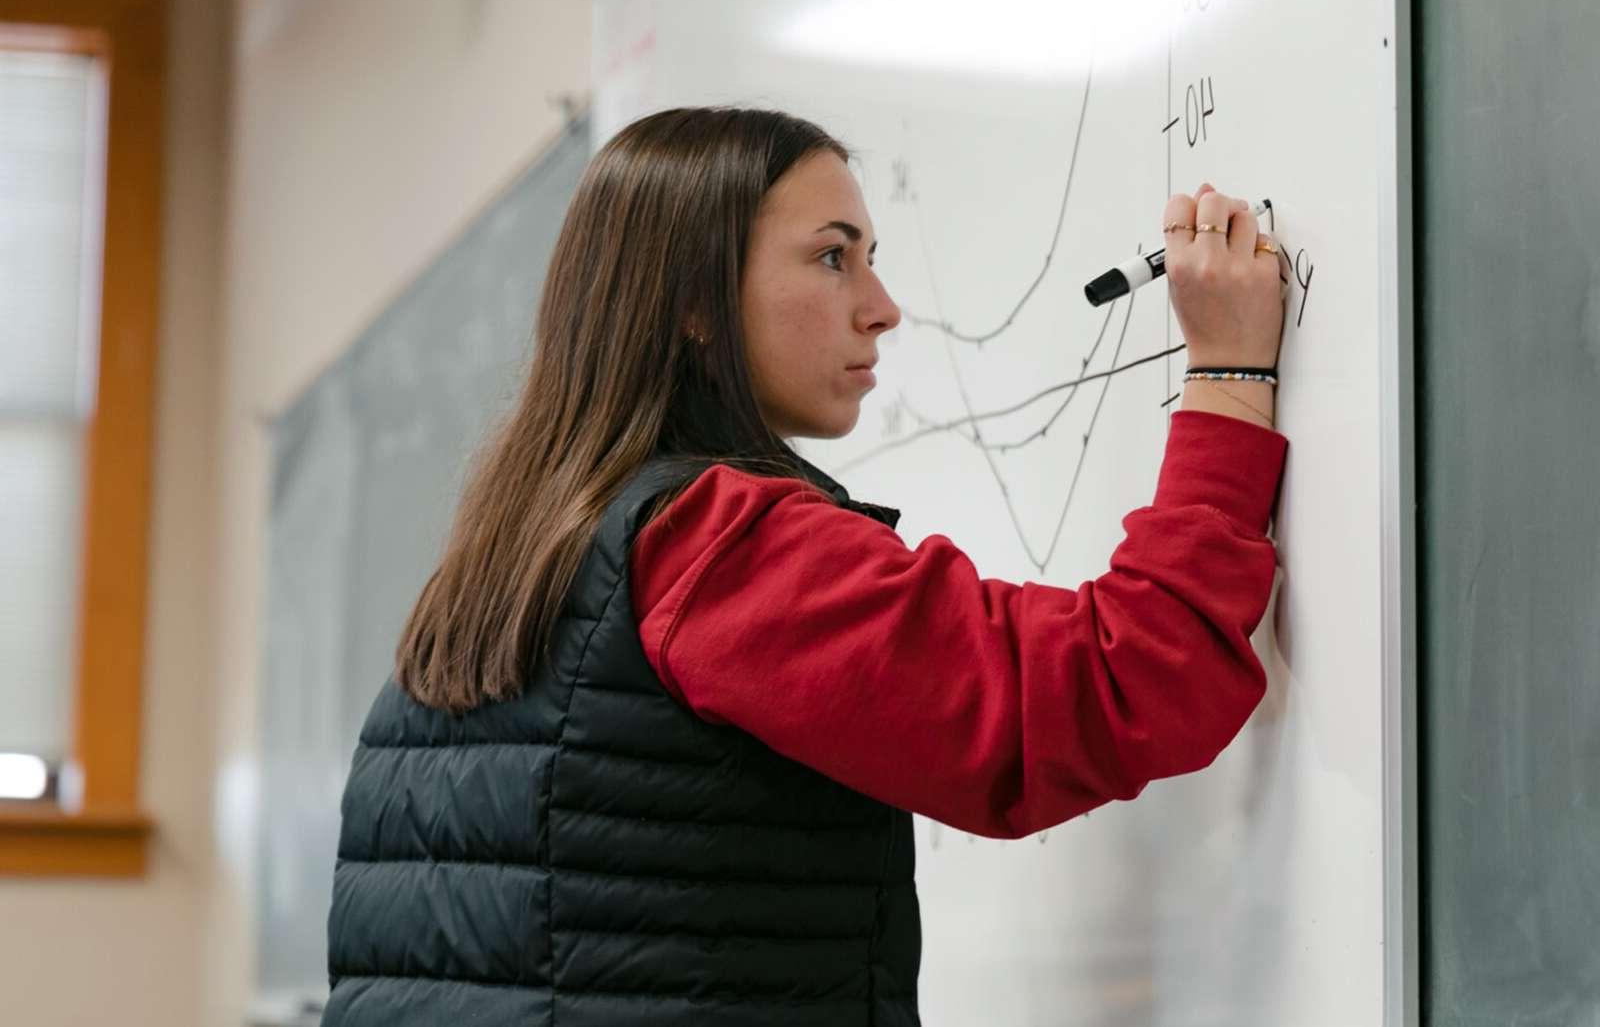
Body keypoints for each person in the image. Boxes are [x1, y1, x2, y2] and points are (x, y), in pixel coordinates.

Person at [321, 106, 1288, 1027]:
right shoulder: (711, 549)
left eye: (872, 260)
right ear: (695, 302)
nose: (882, 309)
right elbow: (1104, 687)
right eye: (833, 258)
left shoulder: (500, 574)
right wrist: (1229, 373)